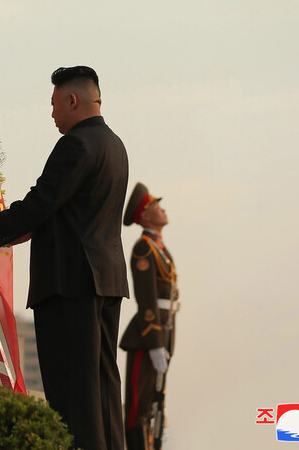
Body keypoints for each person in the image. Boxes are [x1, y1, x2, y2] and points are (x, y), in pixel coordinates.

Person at [0, 65, 129, 450]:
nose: (52, 114)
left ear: (73, 101)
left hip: (70, 282)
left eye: (55, 104)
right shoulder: (115, 145)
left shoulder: (76, 144)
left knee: (72, 391)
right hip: (105, 280)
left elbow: (42, 202)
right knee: (103, 386)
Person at [119, 183, 179, 450]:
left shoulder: (159, 248)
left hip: (162, 335)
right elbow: (148, 302)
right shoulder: (144, 249)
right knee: (139, 406)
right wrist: (155, 343)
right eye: (157, 206)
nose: (163, 210)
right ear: (144, 215)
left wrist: (165, 341)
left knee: (155, 403)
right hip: (146, 338)